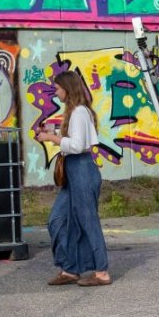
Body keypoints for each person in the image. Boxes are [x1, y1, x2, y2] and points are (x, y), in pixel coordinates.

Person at [36, 67, 111, 287]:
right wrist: (54, 136)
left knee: (88, 222)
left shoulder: (79, 112)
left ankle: (101, 271)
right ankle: (70, 268)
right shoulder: (75, 112)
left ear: (67, 88)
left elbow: (78, 146)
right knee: (57, 219)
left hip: (82, 169)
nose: (56, 92)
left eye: (58, 88)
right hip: (73, 170)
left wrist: (53, 138)